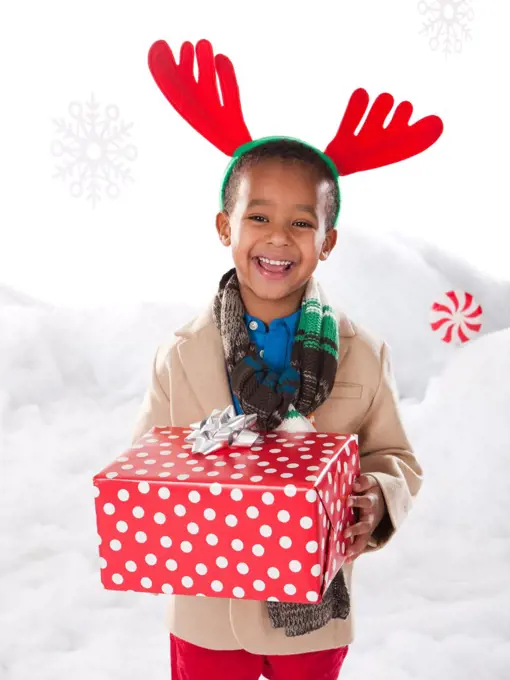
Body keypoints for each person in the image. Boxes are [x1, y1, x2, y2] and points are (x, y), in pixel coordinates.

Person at [131, 39, 443, 680]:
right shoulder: (181, 353)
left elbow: (396, 459)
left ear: (326, 242)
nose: (278, 237)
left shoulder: (361, 354)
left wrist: (376, 501)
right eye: (259, 216)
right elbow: (148, 461)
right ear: (226, 227)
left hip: (314, 613)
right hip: (206, 612)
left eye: (302, 224)